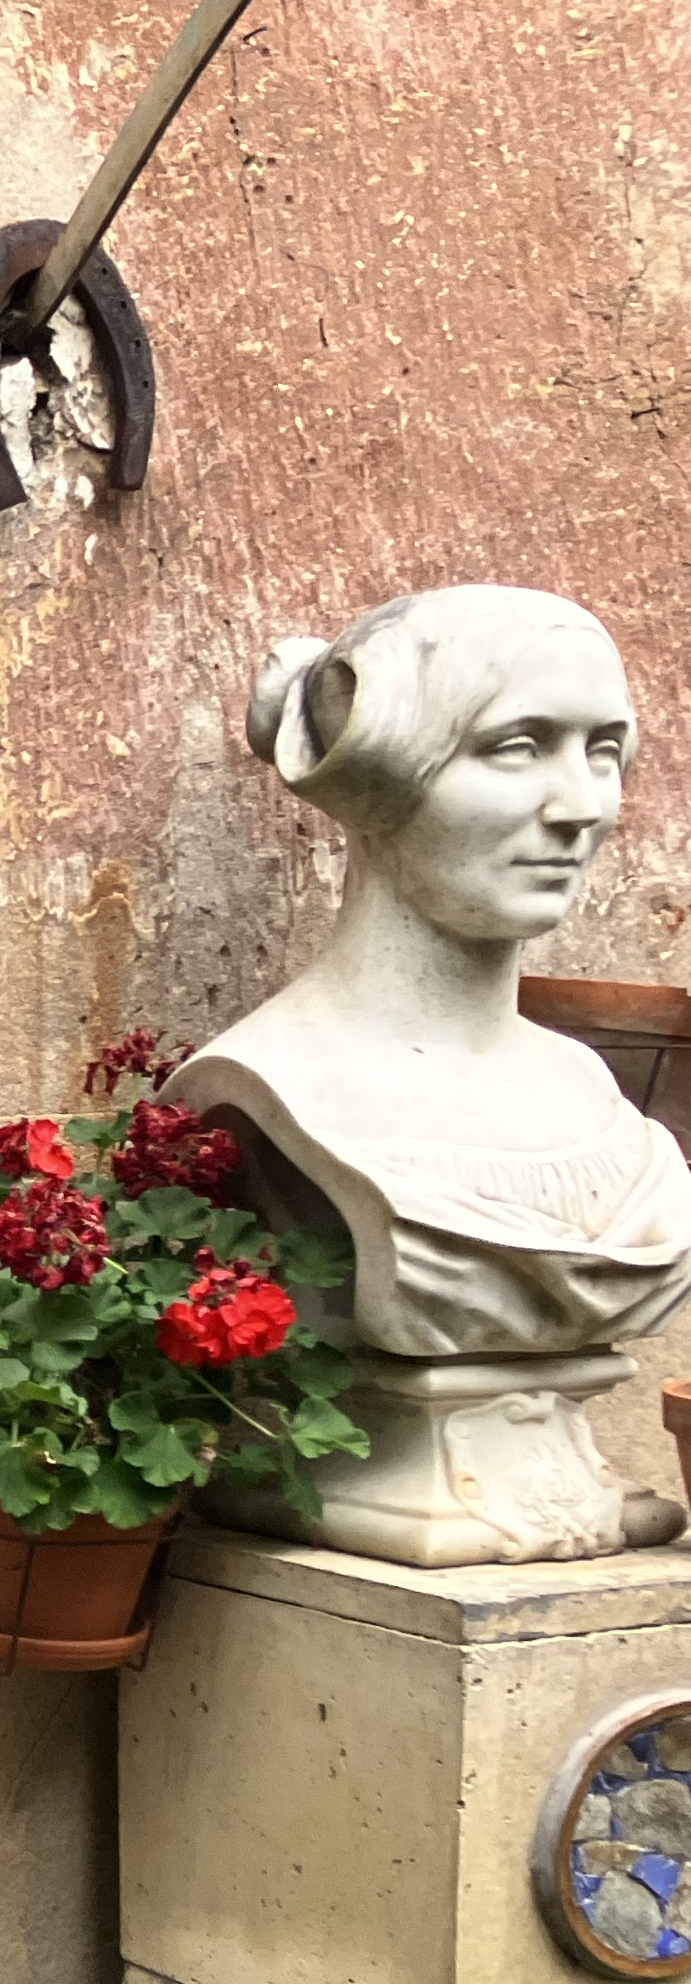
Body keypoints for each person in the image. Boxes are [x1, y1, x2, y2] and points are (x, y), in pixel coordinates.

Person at [174, 584, 691, 1562]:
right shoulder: (268, 1089)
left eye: (603, 750)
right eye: (518, 746)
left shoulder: (593, 1099)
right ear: (378, 778)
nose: (581, 806)